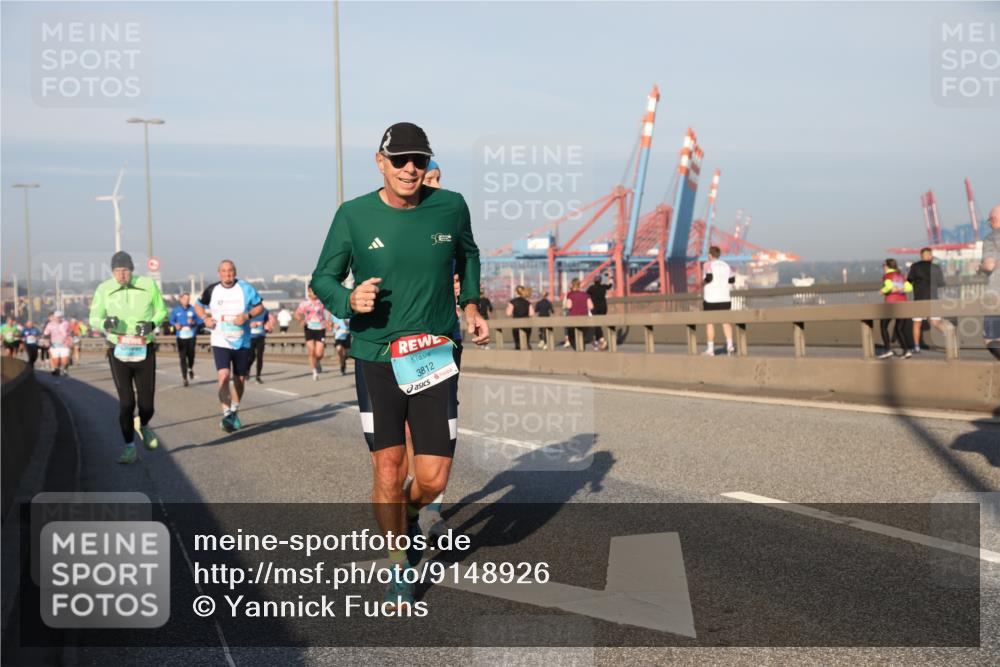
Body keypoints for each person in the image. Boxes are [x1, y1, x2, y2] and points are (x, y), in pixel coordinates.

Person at [310, 121, 489, 610]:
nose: (411, 168)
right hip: (376, 357)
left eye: (420, 160)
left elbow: (468, 255)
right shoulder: (353, 215)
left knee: (432, 478)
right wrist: (349, 300)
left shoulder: (450, 206)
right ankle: (397, 565)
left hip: (434, 353)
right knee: (389, 467)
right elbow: (322, 279)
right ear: (380, 161)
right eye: (401, 160)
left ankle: (411, 515)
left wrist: (470, 306)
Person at [88, 251, 168, 464]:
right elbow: (94, 318)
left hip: (144, 349)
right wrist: (105, 323)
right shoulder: (104, 289)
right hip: (119, 350)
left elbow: (161, 311)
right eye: (117, 271)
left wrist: (152, 324)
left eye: (124, 270)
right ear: (112, 272)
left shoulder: (148, 285)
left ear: (132, 270)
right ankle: (129, 447)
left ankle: (143, 425)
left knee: (147, 404)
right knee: (126, 403)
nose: (121, 275)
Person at [194, 260, 265, 433]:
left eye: (230, 271)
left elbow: (260, 307)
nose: (227, 274)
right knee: (224, 375)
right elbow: (198, 305)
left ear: (235, 272)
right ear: (219, 273)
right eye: (224, 271)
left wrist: (247, 316)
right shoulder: (212, 290)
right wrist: (205, 319)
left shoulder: (245, 288)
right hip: (220, 340)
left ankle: (234, 411)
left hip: (242, 341)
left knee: (239, 380)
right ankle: (226, 414)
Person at [907, 247, 947, 353]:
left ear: (921, 256)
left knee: (917, 324)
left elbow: (909, 280)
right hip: (933, 298)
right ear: (930, 256)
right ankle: (949, 337)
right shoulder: (936, 267)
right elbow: (941, 283)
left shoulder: (915, 266)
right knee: (936, 323)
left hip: (919, 299)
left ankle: (916, 347)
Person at [702, 246, 736, 356]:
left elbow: (708, 278)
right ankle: (730, 346)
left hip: (711, 298)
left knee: (710, 323)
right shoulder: (726, 265)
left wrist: (702, 282)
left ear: (710, 255)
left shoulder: (707, 264)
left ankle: (710, 349)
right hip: (725, 298)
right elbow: (732, 280)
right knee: (726, 323)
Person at [877, 258, 914, 359]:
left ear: (887, 266)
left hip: (891, 304)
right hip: (903, 303)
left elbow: (888, 286)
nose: (883, 268)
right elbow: (910, 288)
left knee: (883, 325)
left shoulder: (887, 275)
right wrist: (900, 288)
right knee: (899, 328)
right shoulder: (901, 276)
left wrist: (882, 291)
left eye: (883, 266)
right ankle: (906, 351)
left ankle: (888, 349)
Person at [295, 288, 331, 381]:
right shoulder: (304, 303)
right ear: (308, 292)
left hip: (320, 328)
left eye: (315, 291)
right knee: (311, 351)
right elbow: (297, 313)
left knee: (319, 352)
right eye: (312, 291)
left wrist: (328, 322)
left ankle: (318, 361)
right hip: (309, 328)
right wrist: (300, 320)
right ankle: (314, 371)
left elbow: (328, 313)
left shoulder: (322, 302)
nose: (314, 293)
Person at [979, 205, 1000, 360]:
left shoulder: (992, 238)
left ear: (994, 219)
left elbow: (989, 265)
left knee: (991, 339)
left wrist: (980, 267)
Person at [169, 292, 202, 387]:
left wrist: (194, 322)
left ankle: (190, 368)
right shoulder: (176, 310)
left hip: (191, 335)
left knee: (191, 355)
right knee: (182, 357)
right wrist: (175, 324)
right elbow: (171, 320)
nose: (186, 301)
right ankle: (184, 378)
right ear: (181, 299)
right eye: (184, 299)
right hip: (181, 336)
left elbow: (200, 321)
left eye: (188, 299)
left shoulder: (193, 309)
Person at [563, 278, 592, 349]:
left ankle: (578, 351)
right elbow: (591, 306)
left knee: (572, 338)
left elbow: (568, 306)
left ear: (572, 285)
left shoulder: (571, 295)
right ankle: (582, 352)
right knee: (581, 338)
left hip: (573, 320)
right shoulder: (585, 295)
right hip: (584, 320)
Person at [247, 306, 273, 384]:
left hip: (261, 336)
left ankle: (258, 377)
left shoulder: (265, 311)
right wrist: (250, 325)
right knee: (251, 357)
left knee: (260, 357)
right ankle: (247, 369)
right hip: (250, 337)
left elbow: (266, 321)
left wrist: (269, 328)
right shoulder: (248, 310)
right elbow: (242, 322)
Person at [43, 311, 73, 376]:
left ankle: (65, 368)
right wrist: (46, 341)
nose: (58, 319)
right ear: (54, 317)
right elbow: (46, 334)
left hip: (65, 345)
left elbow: (71, 333)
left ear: (62, 317)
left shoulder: (66, 323)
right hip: (54, 345)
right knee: (56, 362)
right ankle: (57, 368)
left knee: (64, 361)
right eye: (57, 317)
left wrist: (71, 340)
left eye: (60, 317)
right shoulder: (50, 324)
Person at [506, 285, 535, 350]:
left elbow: (508, 313)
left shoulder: (512, 302)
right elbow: (532, 314)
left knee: (518, 344)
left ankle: (519, 358)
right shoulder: (528, 302)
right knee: (526, 343)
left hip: (516, 325)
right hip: (527, 325)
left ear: (516, 292)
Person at [587, 275, 611, 350]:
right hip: (603, 308)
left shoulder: (591, 288)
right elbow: (610, 286)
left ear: (594, 281)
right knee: (598, 324)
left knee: (596, 324)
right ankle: (599, 340)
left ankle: (601, 339)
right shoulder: (603, 287)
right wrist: (610, 278)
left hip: (595, 309)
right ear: (600, 281)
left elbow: (586, 295)